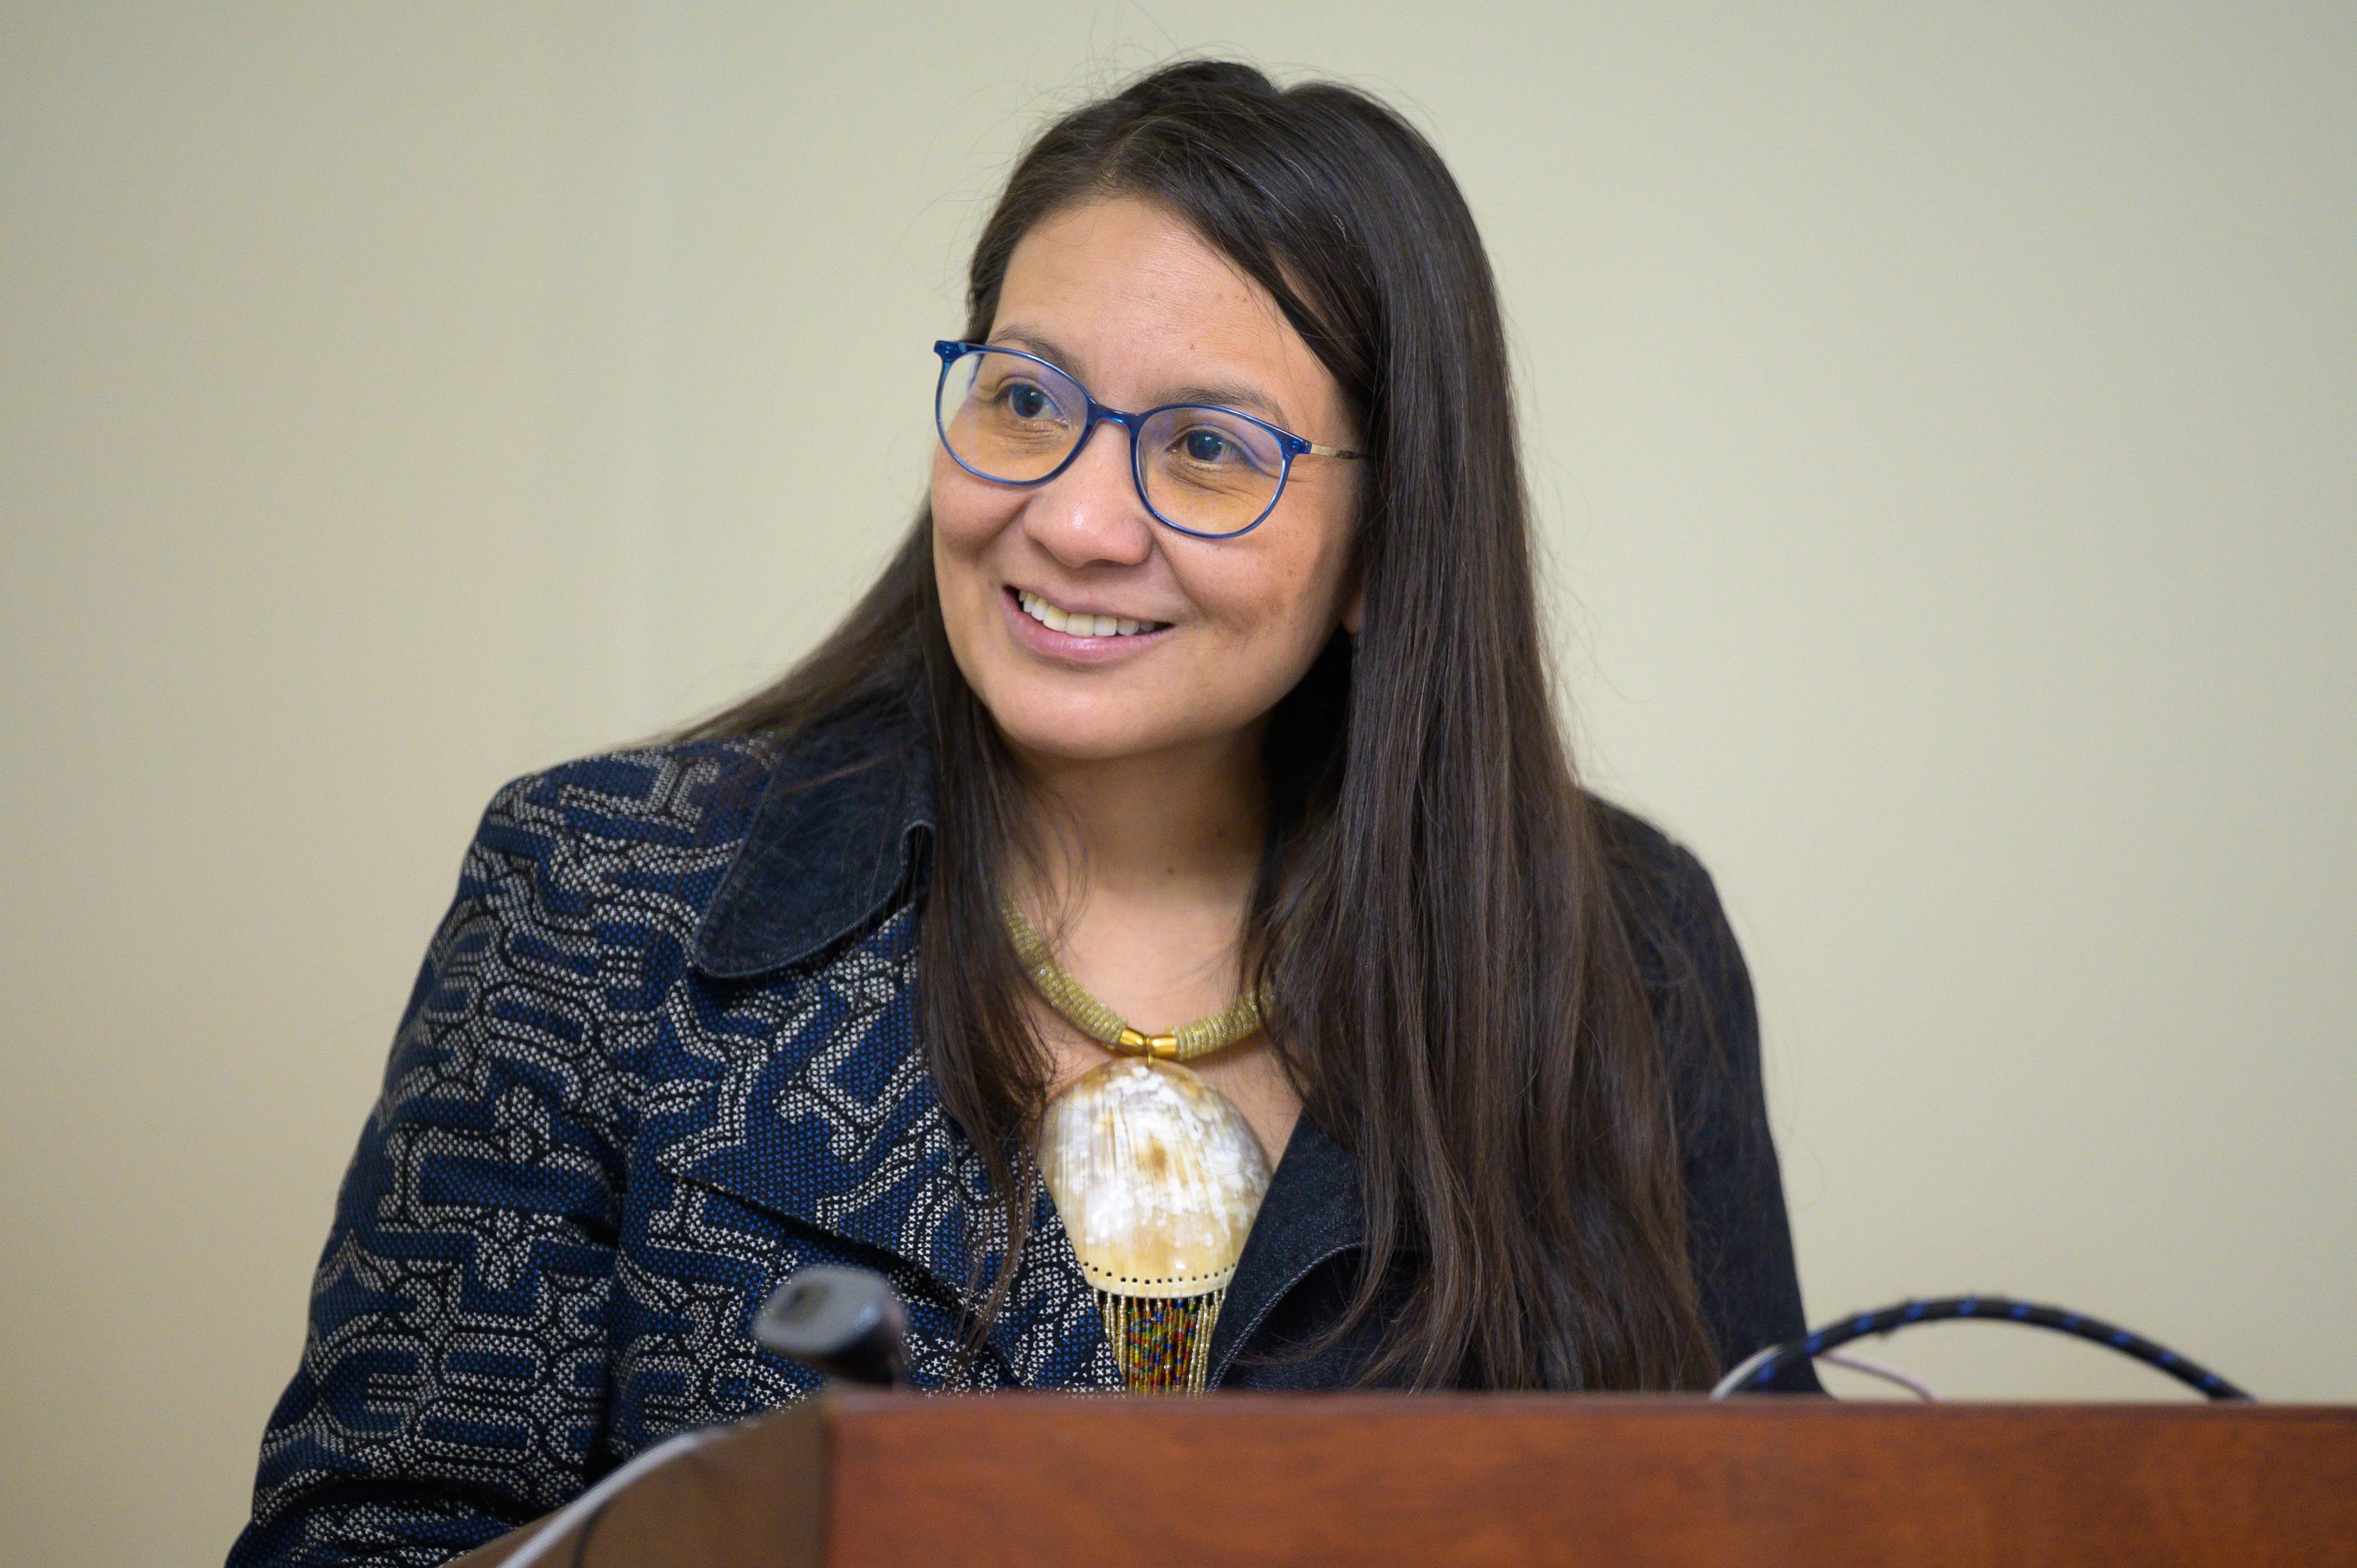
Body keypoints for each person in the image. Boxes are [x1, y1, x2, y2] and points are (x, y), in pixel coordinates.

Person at [227, 58, 1817, 1568]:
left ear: (1386, 541)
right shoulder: (604, 891)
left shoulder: (1618, 943)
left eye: (1205, 450)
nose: (1068, 518)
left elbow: (1766, 1522)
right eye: (1024, 400)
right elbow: (362, 1545)